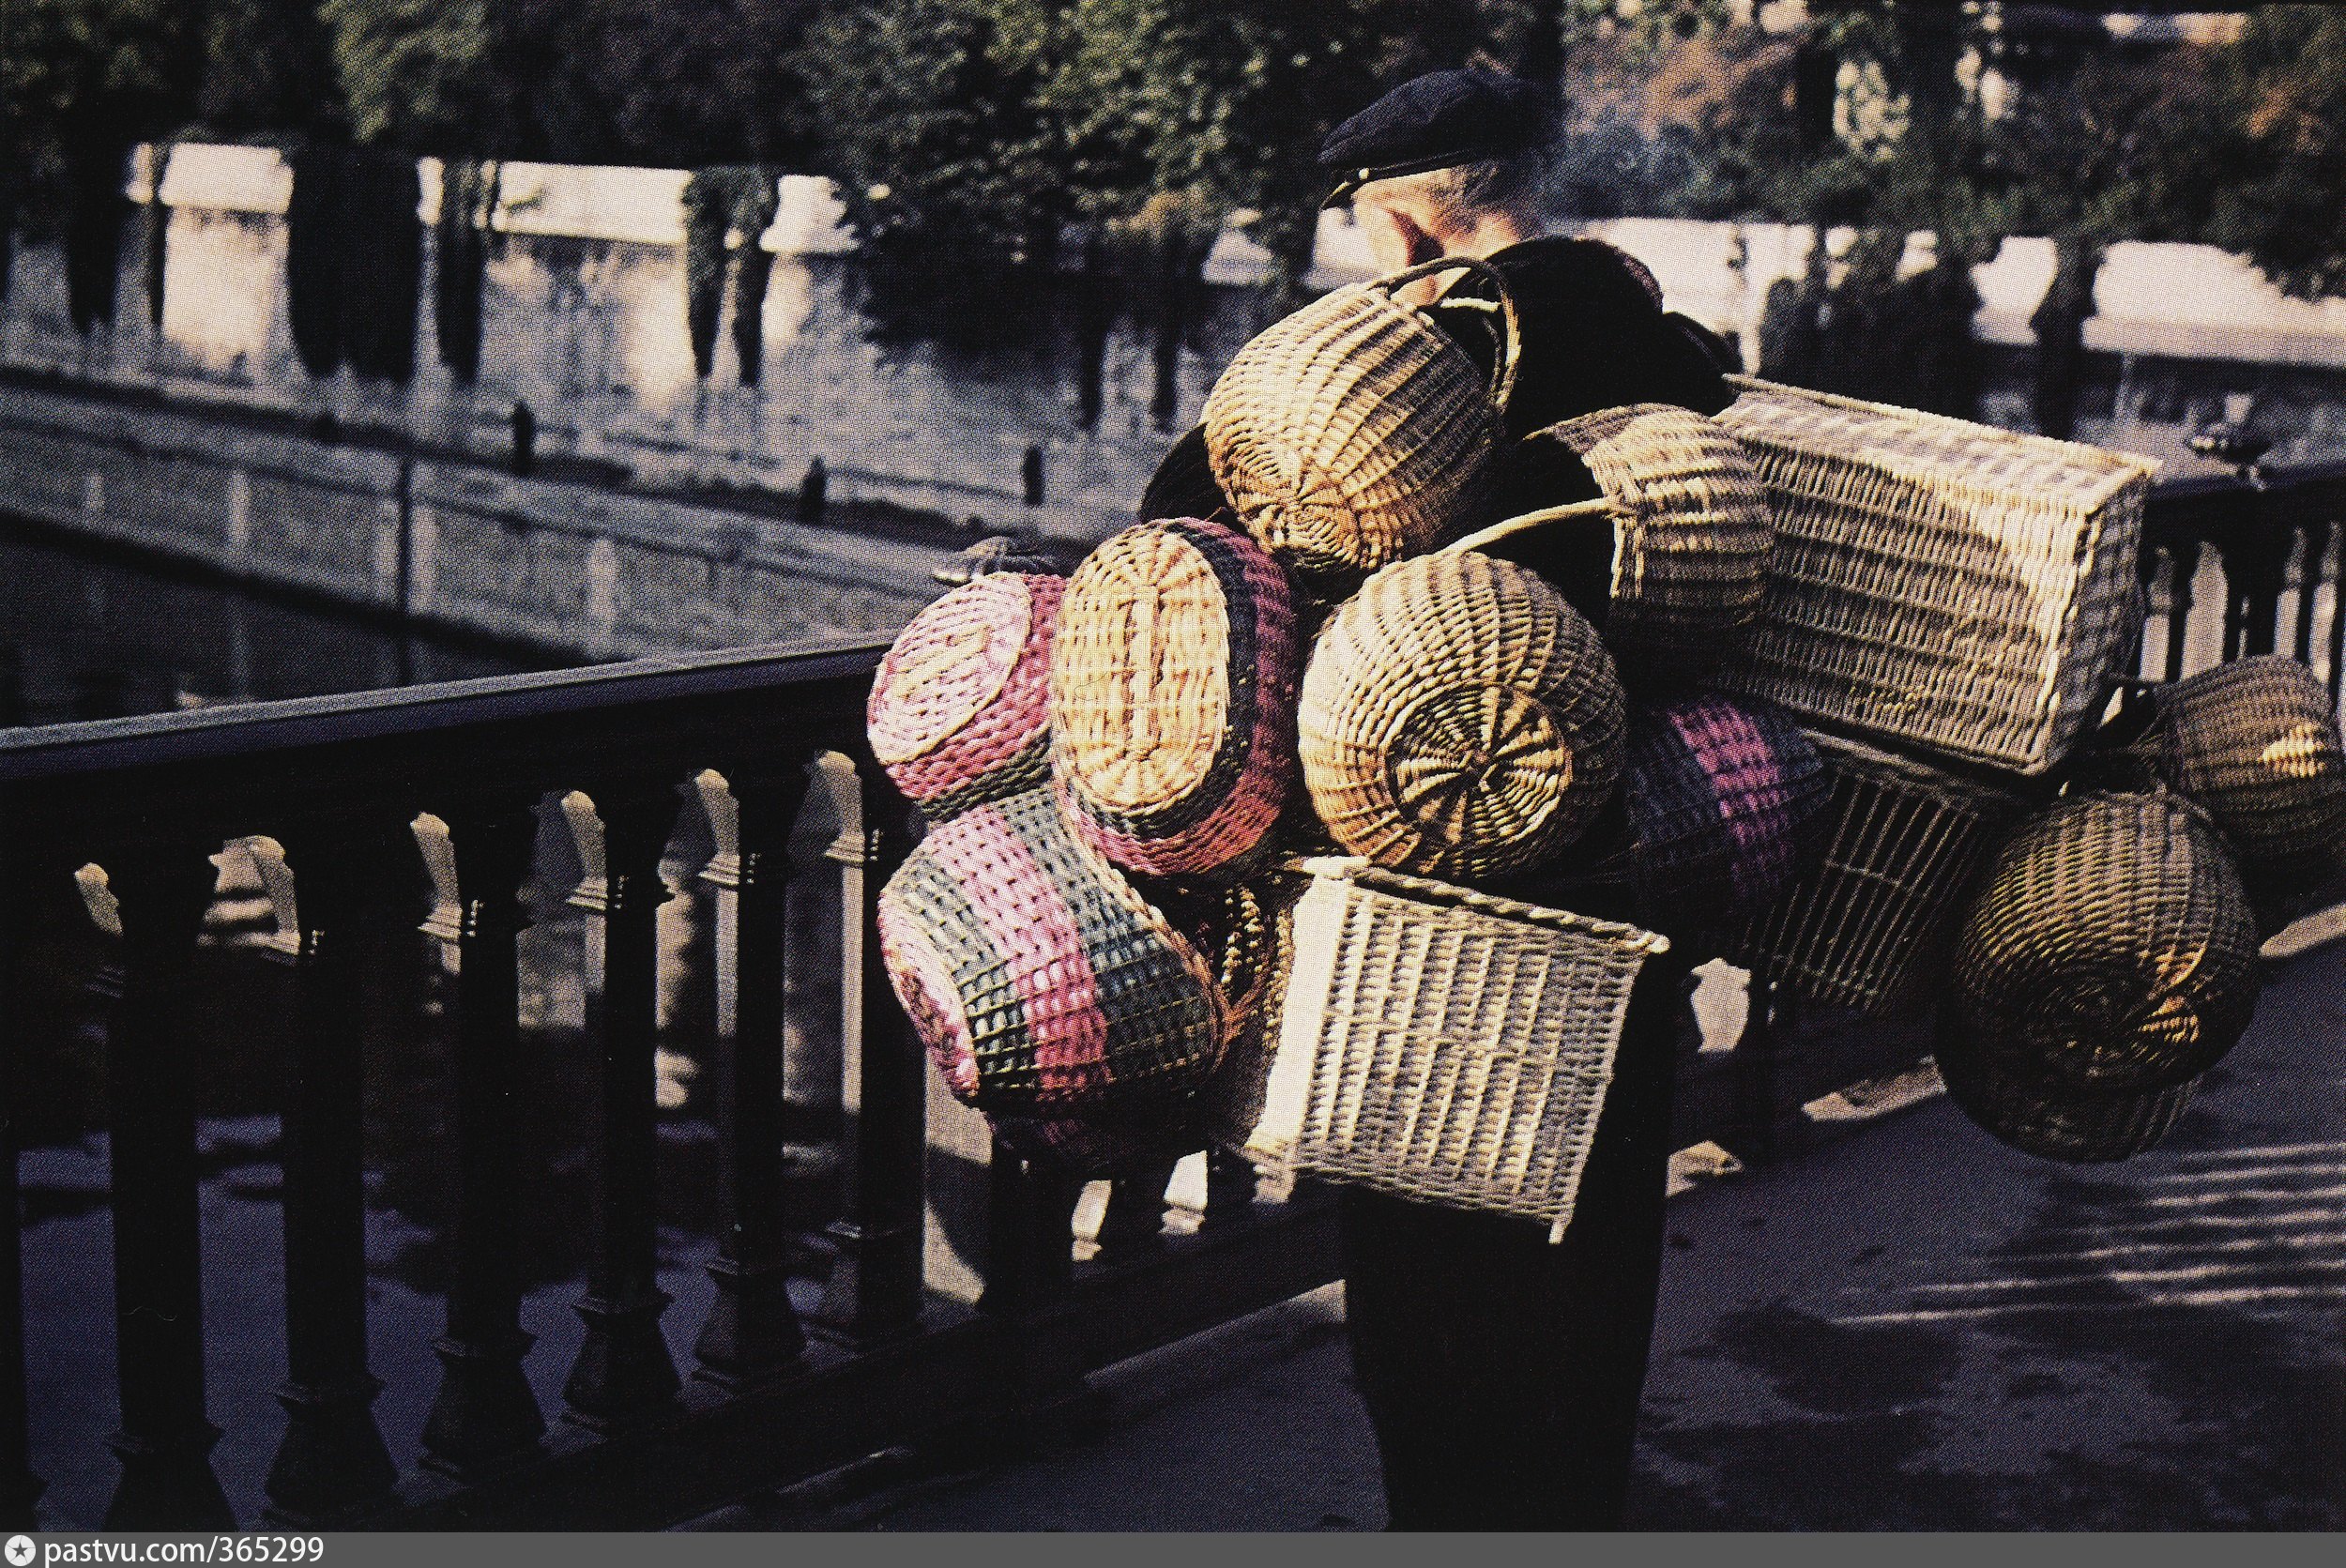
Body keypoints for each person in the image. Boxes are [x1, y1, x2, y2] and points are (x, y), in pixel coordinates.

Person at [1143, 68, 1728, 1530]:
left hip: (1428, 920)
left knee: (1429, 1319)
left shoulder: (1388, 381)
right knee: (1587, 1295)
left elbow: (1179, 544)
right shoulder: (1671, 351)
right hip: (1626, 880)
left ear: (1405, 224)